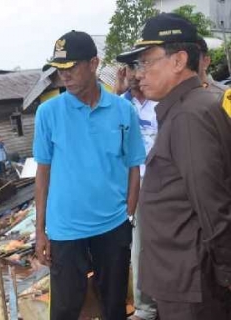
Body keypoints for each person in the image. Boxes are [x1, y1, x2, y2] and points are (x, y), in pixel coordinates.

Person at [119, 13, 231, 319]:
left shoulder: (188, 116)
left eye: (146, 62)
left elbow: (212, 205)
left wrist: (226, 272)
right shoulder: (190, 106)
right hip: (182, 277)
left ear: (179, 61)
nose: (138, 73)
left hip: (192, 283)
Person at [33, 30, 146, 320]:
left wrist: (129, 215)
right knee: (65, 309)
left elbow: (134, 165)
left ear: (94, 63)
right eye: (60, 70)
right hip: (65, 230)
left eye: (71, 68)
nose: (65, 76)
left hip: (113, 227)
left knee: (113, 306)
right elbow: (42, 172)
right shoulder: (48, 113)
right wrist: (40, 230)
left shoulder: (123, 110)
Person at [115, 55, 159, 320]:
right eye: (130, 67)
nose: (134, 73)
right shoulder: (118, 107)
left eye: (138, 65)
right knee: (139, 248)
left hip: (165, 183)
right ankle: (145, 308)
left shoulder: (161, 102)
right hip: (133, 186)